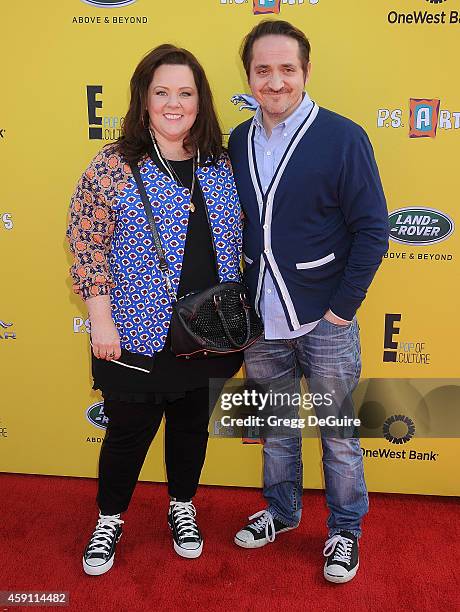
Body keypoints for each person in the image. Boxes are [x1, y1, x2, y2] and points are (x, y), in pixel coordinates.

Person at [67, 44, 243, 574]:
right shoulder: (114, 164)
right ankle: (111, 517)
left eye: (185, 93)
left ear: (200, 100)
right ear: (143, 101)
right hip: (135, 333)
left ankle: (182, 507)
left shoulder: (220, 162)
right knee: (126, 433)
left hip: (207, 332)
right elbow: (86, 241)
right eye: (161, 92)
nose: (174, 103)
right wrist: (101, 317)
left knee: (191, 428)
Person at [228, 20, 389, 583]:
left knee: (339, 437)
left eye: (287, 69)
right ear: (248, 75)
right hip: (261, 320)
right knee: (276, 428)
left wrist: (341, 309)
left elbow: (373, 230)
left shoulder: (343, 137)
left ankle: (345, 531)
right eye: (263, 70)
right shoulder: (238, 139)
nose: (276, 81)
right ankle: (282, 512)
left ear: (306, 72)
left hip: (325, 319)